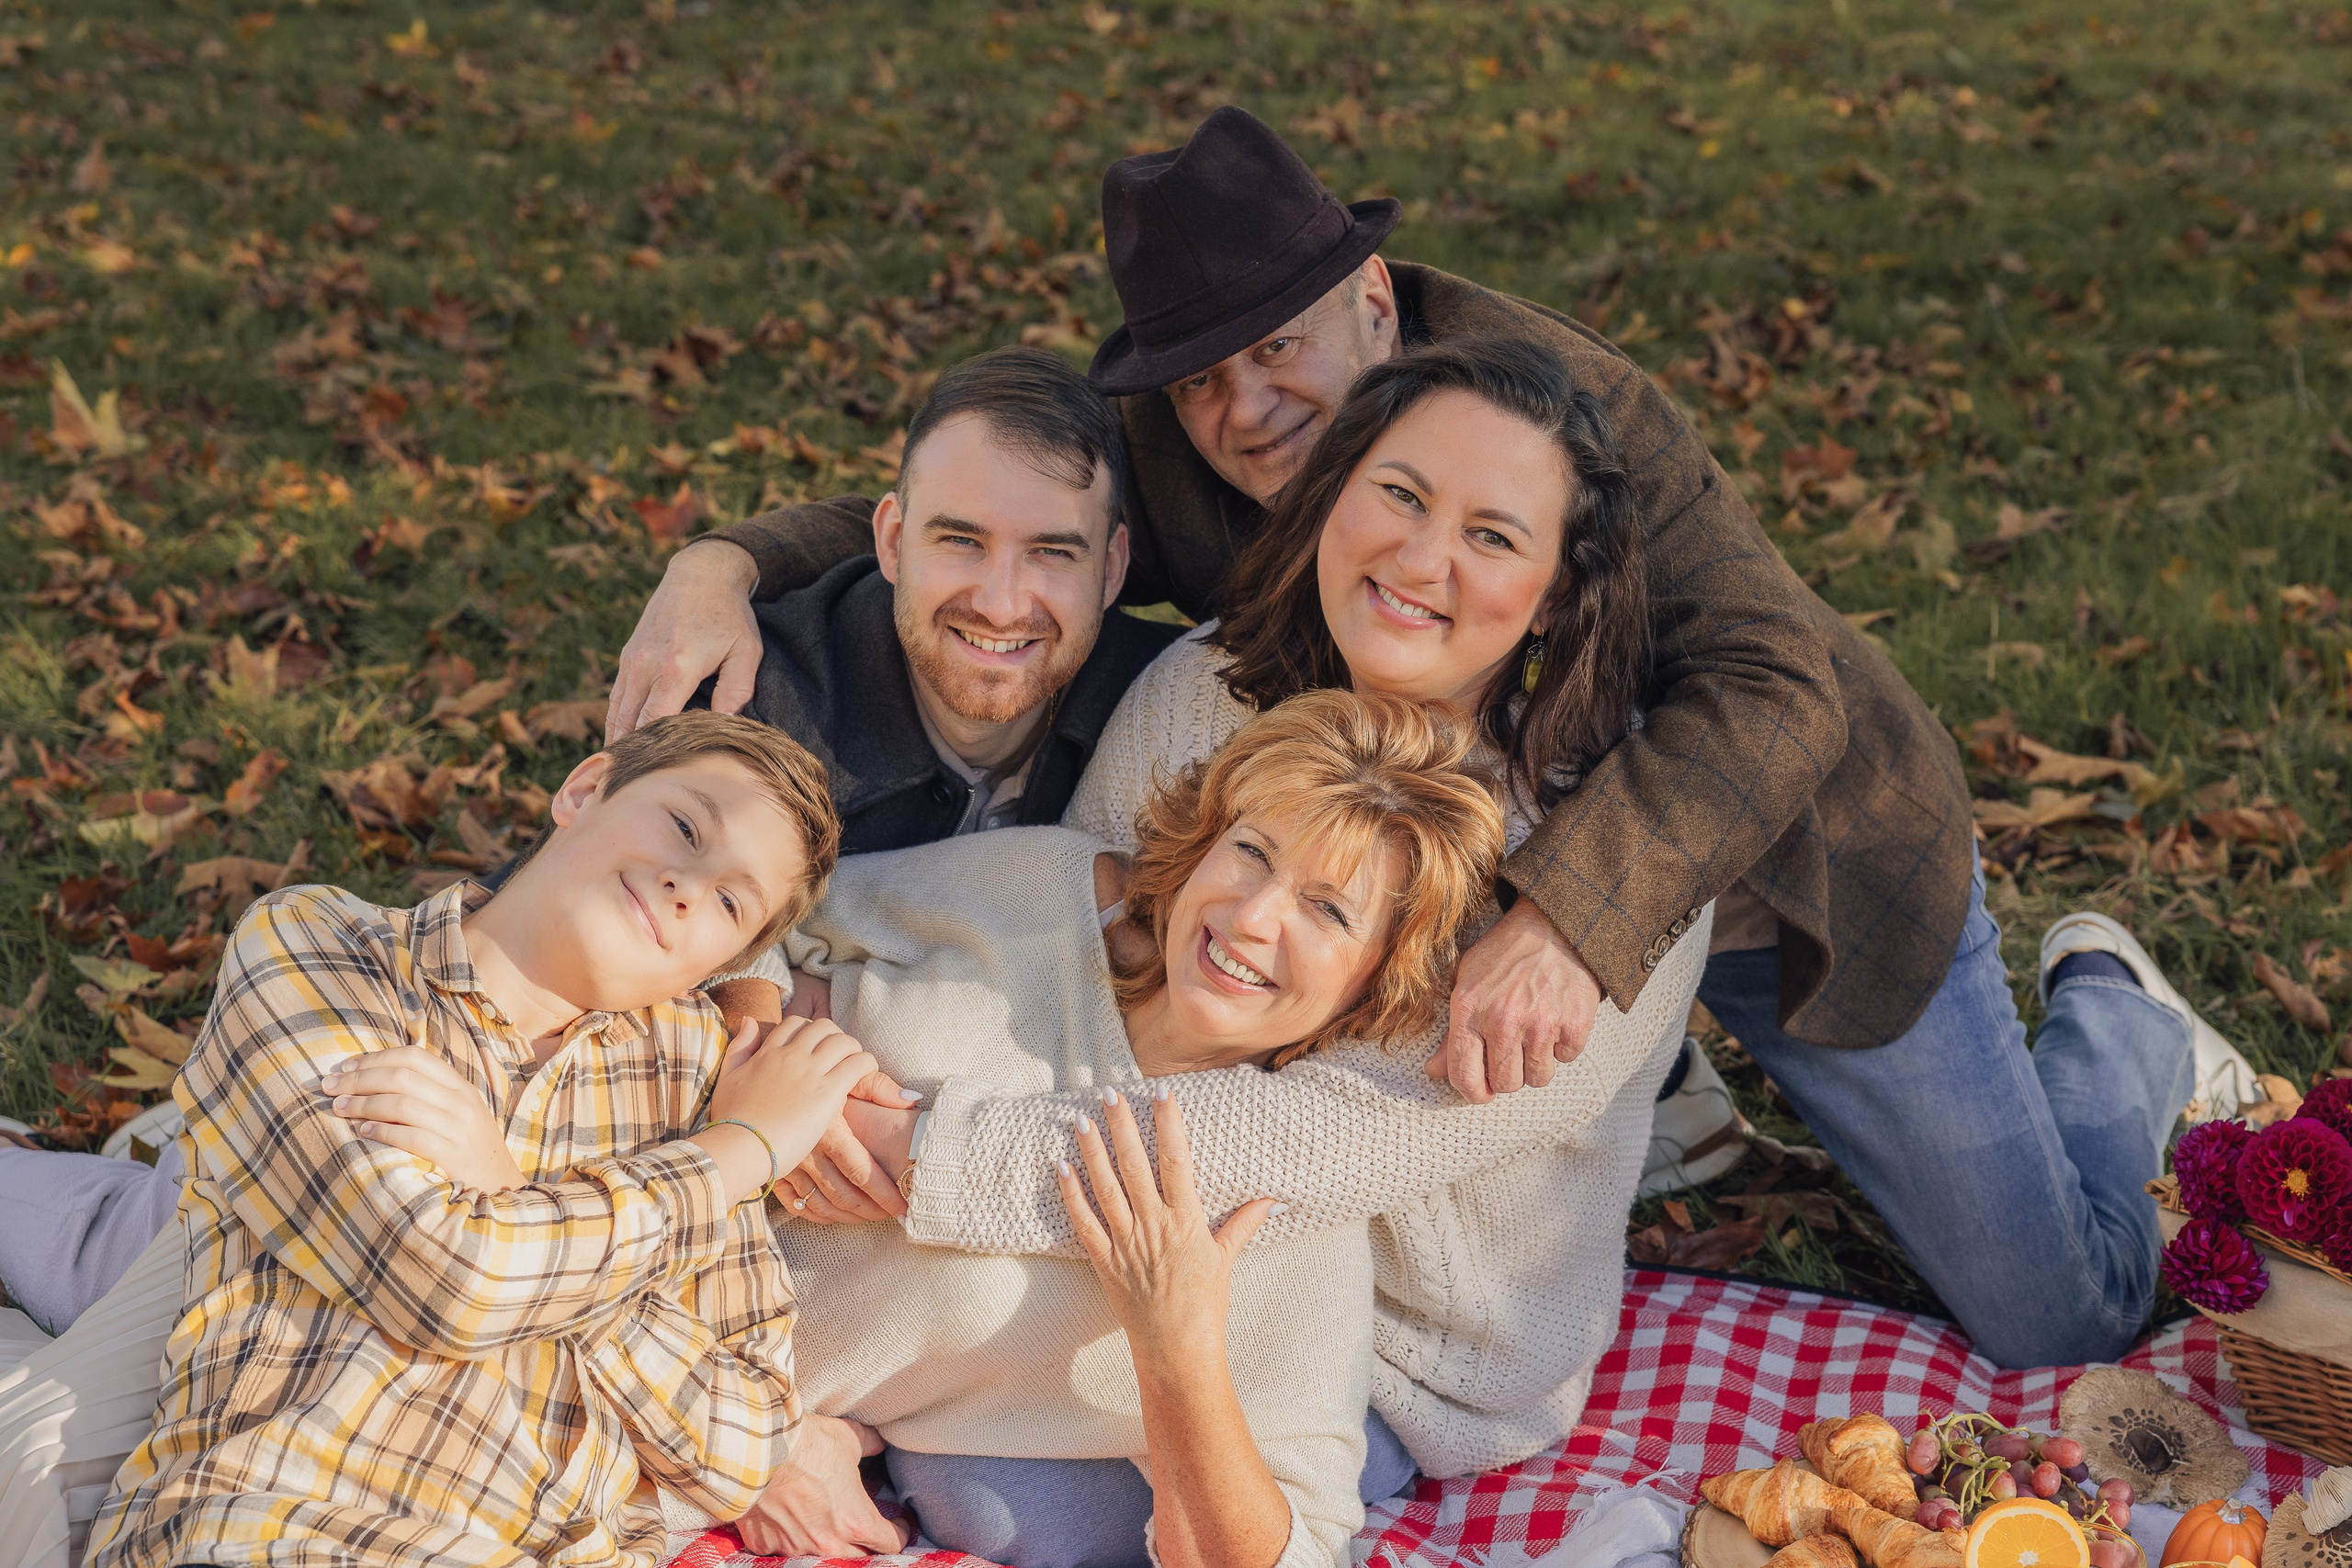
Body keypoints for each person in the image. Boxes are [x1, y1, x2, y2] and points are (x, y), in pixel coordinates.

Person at [608, 107, 2257, 1367]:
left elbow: (1775, 686)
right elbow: (977, 516)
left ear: (1372, 301)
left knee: (2056, 1314)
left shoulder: (1565, 421)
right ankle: (1641, 1094)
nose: (1249, 411)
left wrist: (1575, 919)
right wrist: (725, 560)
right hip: (1421, 855)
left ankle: (2116, 1024)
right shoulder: (1201, 443)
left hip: (1798, 866)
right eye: (1200, 380)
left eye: (1279, 350)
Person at [0, 343, 1180, 1343]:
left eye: (1053, 556)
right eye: (959, 542)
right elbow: (596, 985)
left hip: (740, 1204)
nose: (1001, 599)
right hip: (520, 1103)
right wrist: (758, 1070)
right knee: (184, 1290)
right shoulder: (758, 688)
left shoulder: (1153, 720)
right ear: (886, 537)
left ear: (1117, 567)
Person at [794, 336, 1715, 1487]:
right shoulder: (1203, 689)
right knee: (877, 1306)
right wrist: (815, 1066)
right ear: (1332, 498)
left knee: (1002, 1499)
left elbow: (1322, 1140)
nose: (1422, 558)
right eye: (1400, 494)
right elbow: (1086, 976)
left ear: (1556, 596)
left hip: (1392, 1348)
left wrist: (923, 1159)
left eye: (1491, 537)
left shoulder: (1619, 865)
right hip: (1135, 1225)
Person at [5, 712, 888, 1568]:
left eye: (730, 901)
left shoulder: (698, 1084)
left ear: (716, 964)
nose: (688, 884)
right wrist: (739, 1152)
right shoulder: (324, 950)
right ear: (586, 789)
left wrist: (510, 1193)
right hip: (274, 1527)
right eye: (686, 826)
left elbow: (741, 1447)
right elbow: (441, 1279)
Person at [705, 689, 1513, 1568]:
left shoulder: (1280, 1225)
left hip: (672, 1383)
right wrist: (759, 1045)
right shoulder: (1056, 895)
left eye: (1328, 909)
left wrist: (1178, 1349)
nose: (1253, 915)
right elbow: (764, 902)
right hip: (612, 1162)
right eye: (1250, 851)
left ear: (1381, 979)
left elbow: (1293, 1555)